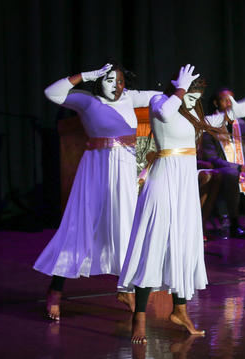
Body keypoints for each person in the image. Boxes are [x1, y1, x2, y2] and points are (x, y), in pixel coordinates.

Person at [118, 64, 245, 343]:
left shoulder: (192, 109)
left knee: (184, 243)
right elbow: (164, 113)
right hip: (164, 177)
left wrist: (237, 110)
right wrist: (181, 90)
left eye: (197, 98)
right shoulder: (161, 101)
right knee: (155, 241)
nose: (193, 103)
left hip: (184, 180)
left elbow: (214, 122)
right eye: (189, 96)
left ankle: (180, 310)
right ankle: (140, 316)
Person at [34, 62, 161, 320]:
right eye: (109, 80)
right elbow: (52, 93)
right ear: (98, 81)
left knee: (125, 227)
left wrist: (179, 91)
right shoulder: (86, 100)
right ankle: (55, 291)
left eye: (121, 81)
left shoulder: (130, 97)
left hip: (124, 168)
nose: (116, 85)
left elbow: (162, 98)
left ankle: (125, 288)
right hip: (95, 168)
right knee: (80, 226)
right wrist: (84, 76)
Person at [198, 88, 245, 238]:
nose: (230, 103)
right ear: (216, 103)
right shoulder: (210, 124)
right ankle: (234, 224)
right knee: (231, 175)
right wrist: (242, 168)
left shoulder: (240, 123)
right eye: (225, 99)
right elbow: (212, 158)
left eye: (232, 100)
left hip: (244, 167)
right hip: (223, 169)